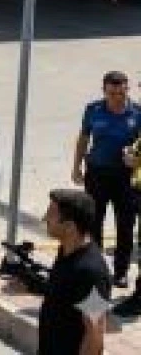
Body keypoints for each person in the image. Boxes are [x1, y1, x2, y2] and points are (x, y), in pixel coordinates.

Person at [72, 70, 141, 288]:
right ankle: (96, 270)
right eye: (112, 94)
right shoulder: (93, 110)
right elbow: (83, 138)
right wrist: (76, 166)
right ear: (104, 91)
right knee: (93, 224)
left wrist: (135, 158)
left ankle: (121, 272)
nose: (118, 98)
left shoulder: (137, 113)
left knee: (125, 226)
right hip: (97, 174)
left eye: (122, 93)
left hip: (125, 178)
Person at [39, 189, 110, 354]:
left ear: (70, 226)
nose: (44, 219)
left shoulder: (91, 272)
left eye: (51, 215)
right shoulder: (65, 251)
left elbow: (96, 331)